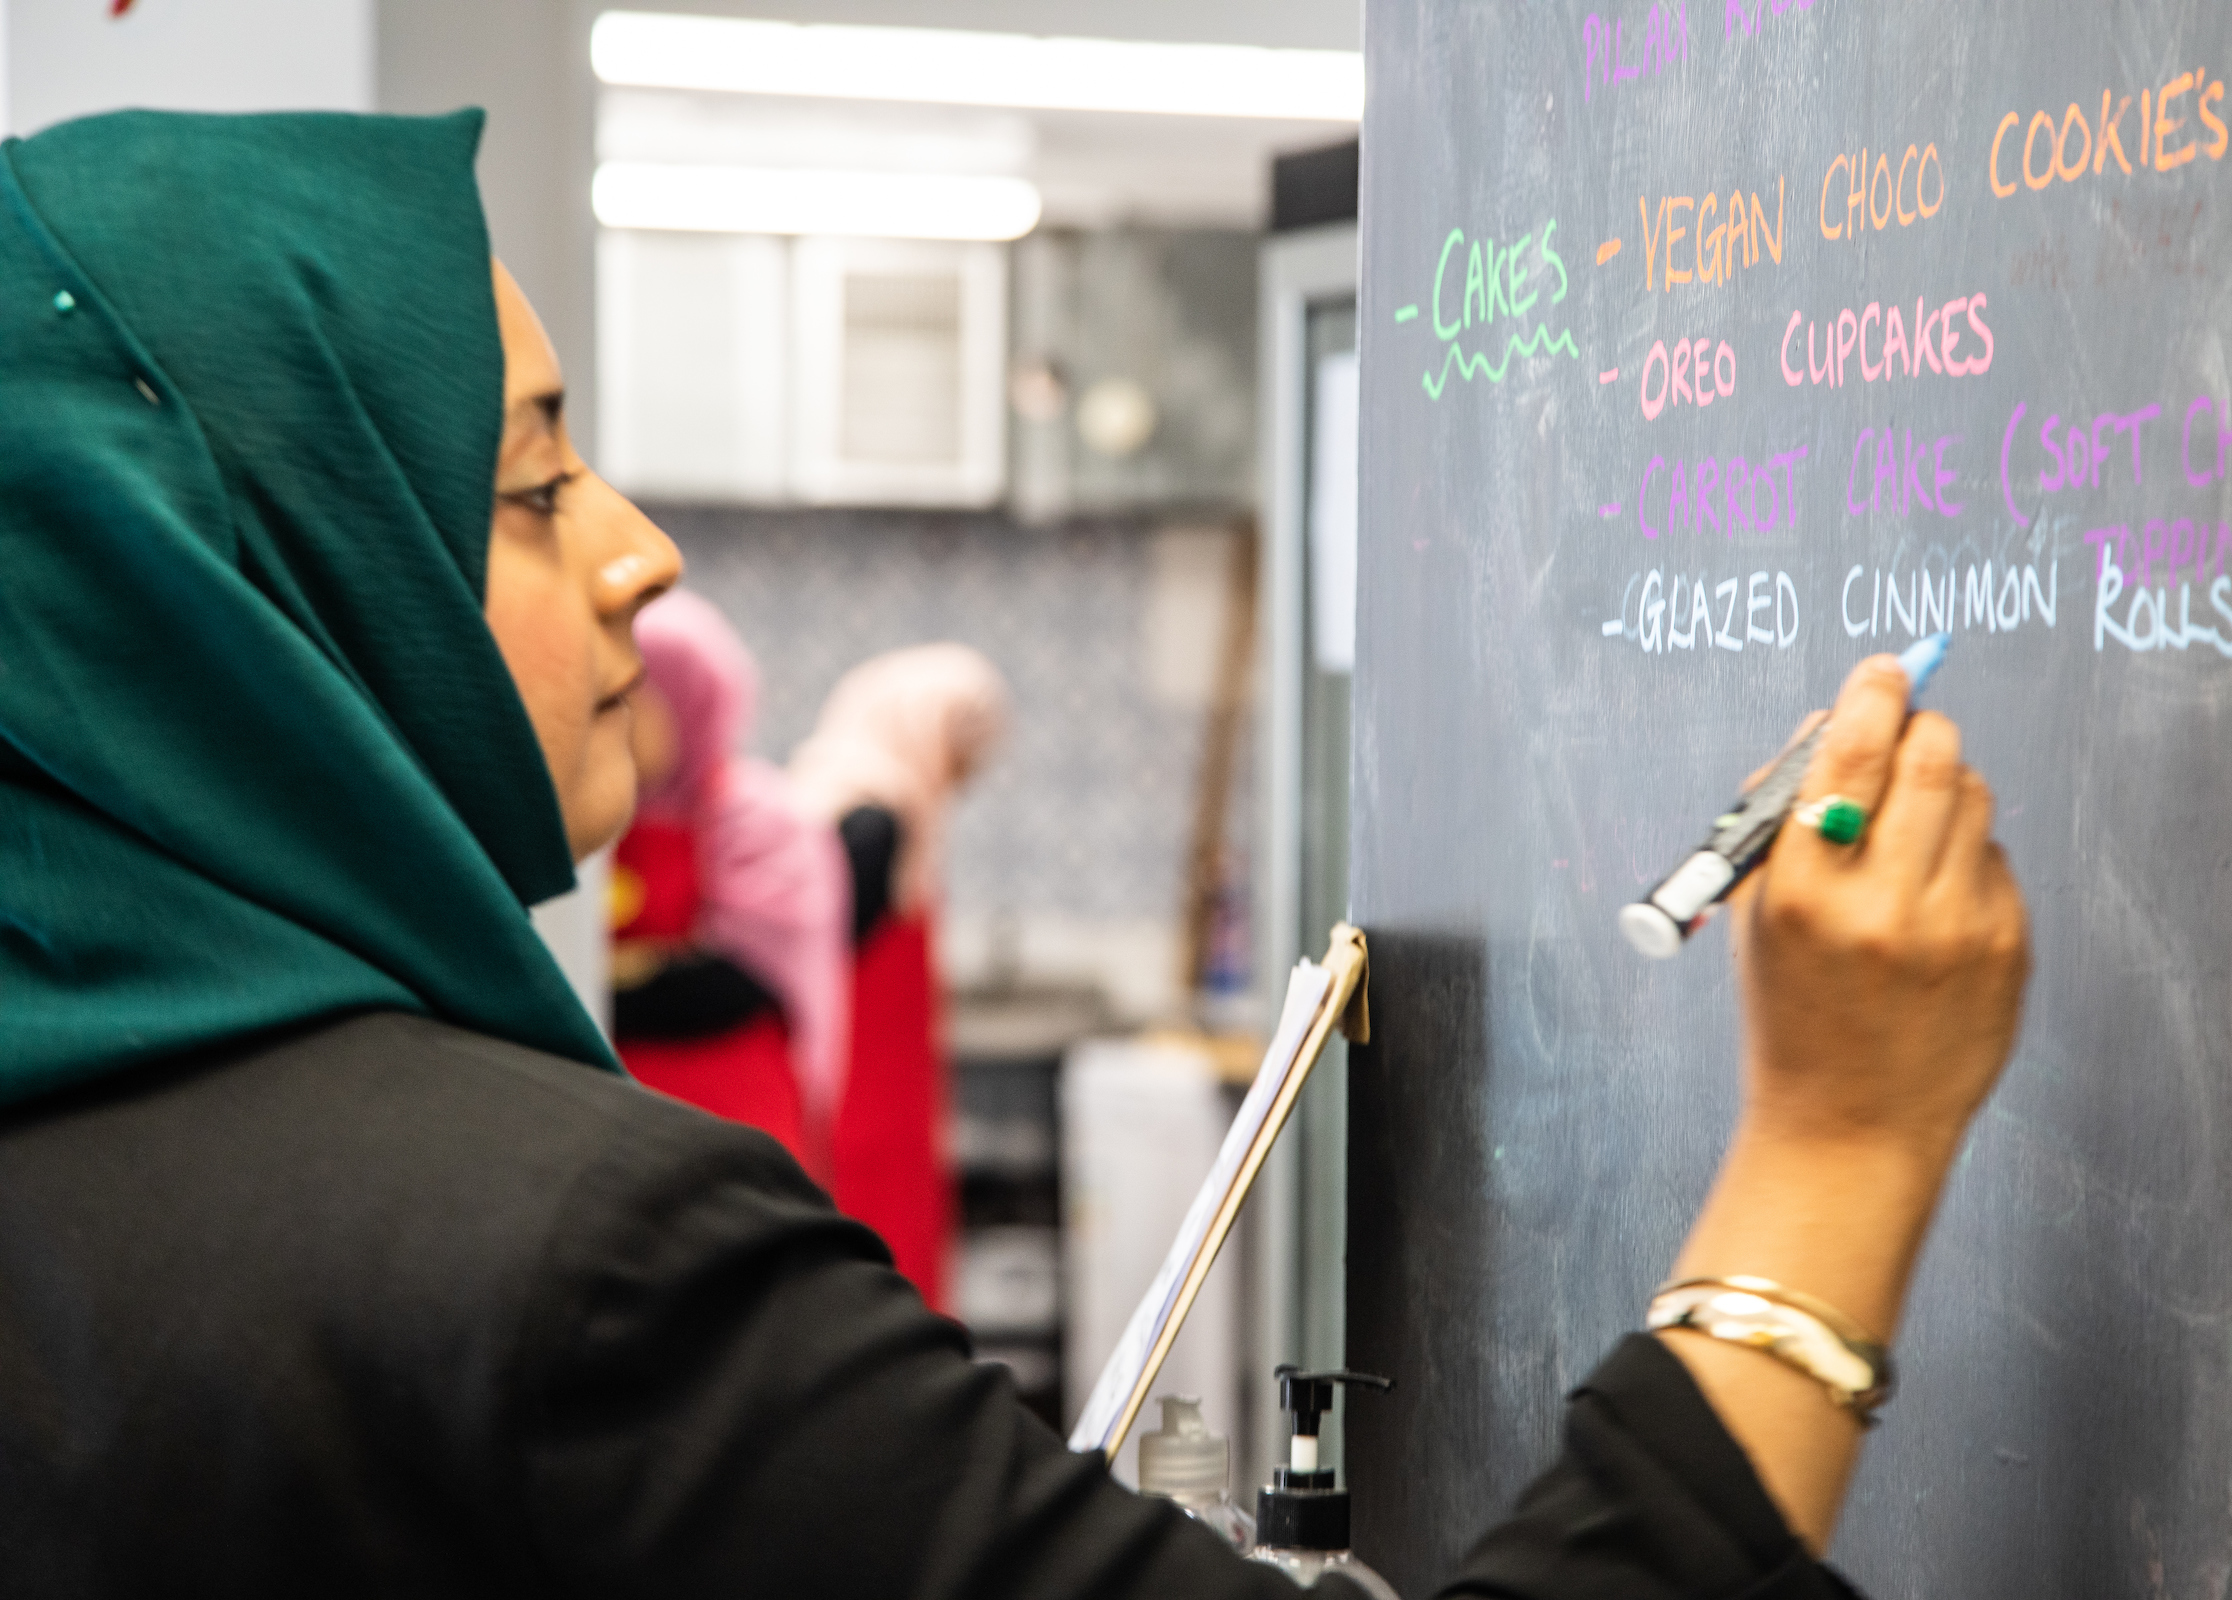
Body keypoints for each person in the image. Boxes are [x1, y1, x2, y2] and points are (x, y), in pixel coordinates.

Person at [0, 109, 2028, 1596]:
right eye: (533, 482)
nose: (643, 550)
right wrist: (1837, 1147)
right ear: (251, 588)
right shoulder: (571, 1273)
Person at [789, 643, 1010, 1310]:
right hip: (860, 1093)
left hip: (887, 1087)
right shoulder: (870, 818)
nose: (968, 765)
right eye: (962, 739)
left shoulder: (878, 803)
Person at [610, 589, 851, 1176]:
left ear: (686, 698)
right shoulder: (594, 815)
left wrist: (615, 978)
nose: (613, 719)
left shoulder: (755, 814)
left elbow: (737, 982)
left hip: (731, 1120)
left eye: (630, 699)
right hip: (615, 1117)